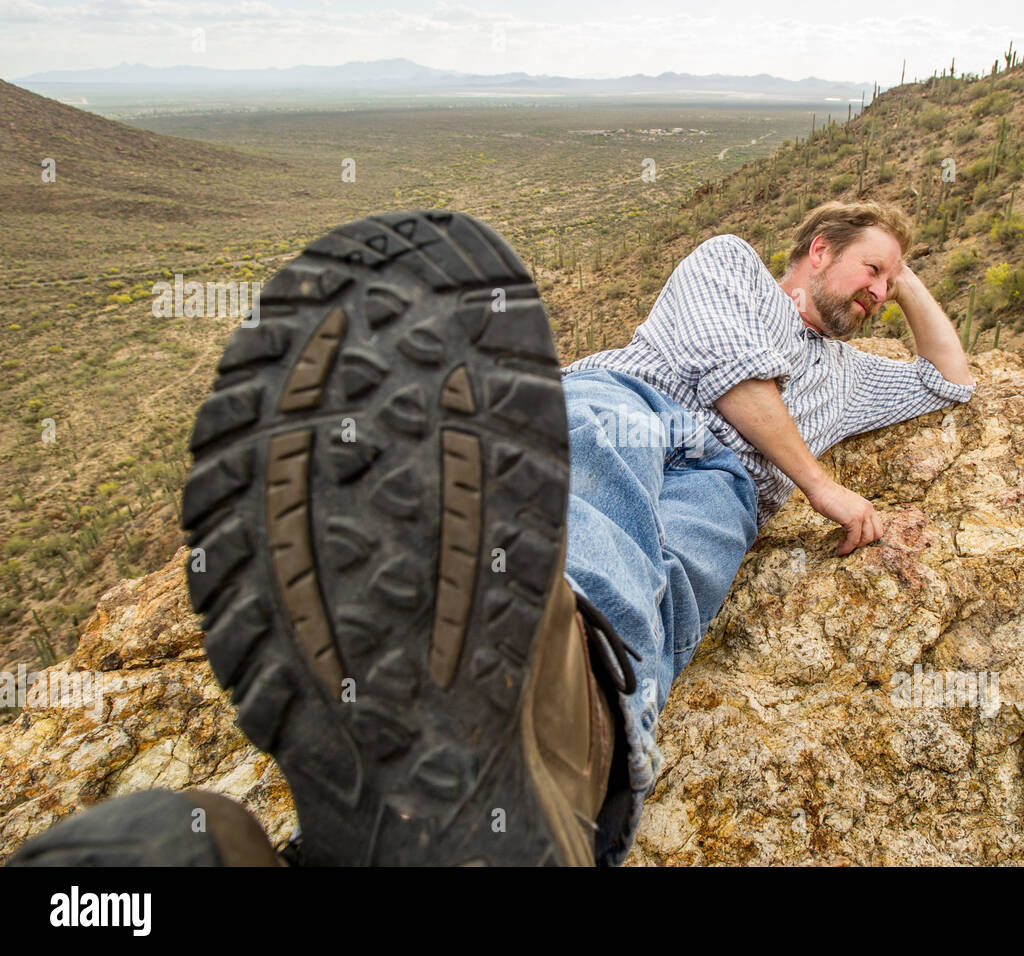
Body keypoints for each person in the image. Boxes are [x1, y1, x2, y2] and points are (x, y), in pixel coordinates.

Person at [7, 200, 975, 868]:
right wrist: (825, 487)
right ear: (815, 250)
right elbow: (731, 378)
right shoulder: (728, 266)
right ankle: (528, 682)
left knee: (674, 574)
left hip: (731, 480)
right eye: (869, 268)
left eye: (892, 280)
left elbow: (949, 380)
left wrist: (908, 272)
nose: (879, 292)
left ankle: (537, 738)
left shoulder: (852, 374)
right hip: (639, 400)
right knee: (590, 483)